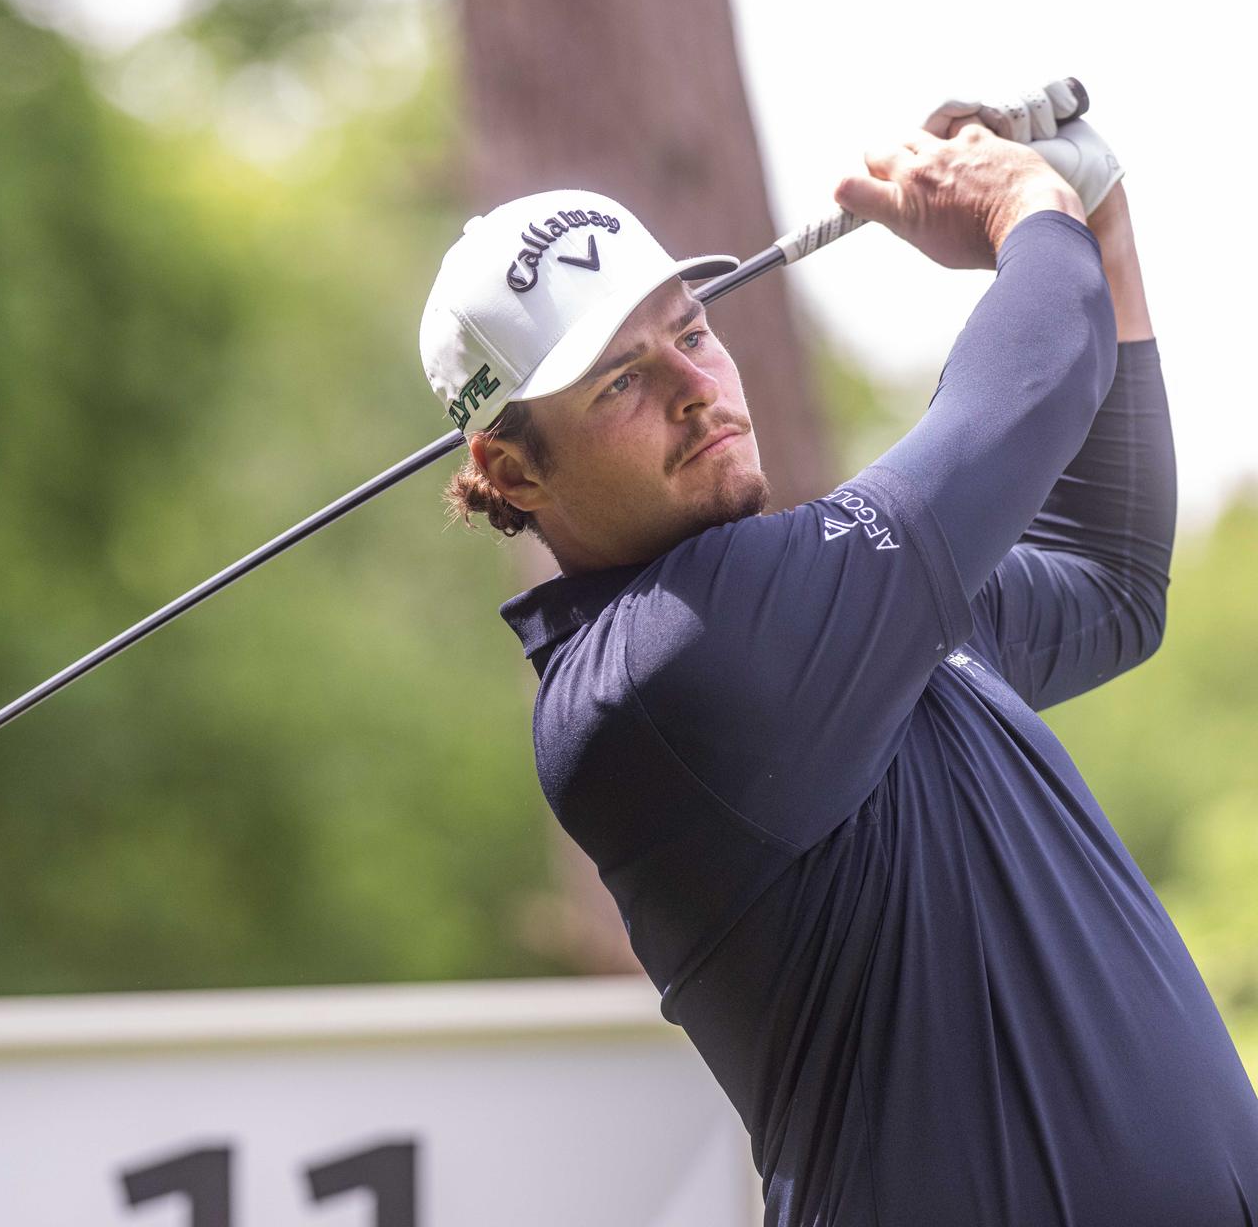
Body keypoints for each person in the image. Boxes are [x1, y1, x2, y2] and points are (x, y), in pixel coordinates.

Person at [417, 87, 1258, 1224]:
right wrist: (1028, 206)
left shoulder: (838, 619)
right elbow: (1031, 386)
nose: (694, 388)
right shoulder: (661, 670)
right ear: (512, 473)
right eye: (621, 379)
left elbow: (1110, 579)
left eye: (694, 329)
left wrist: (1096, 221)